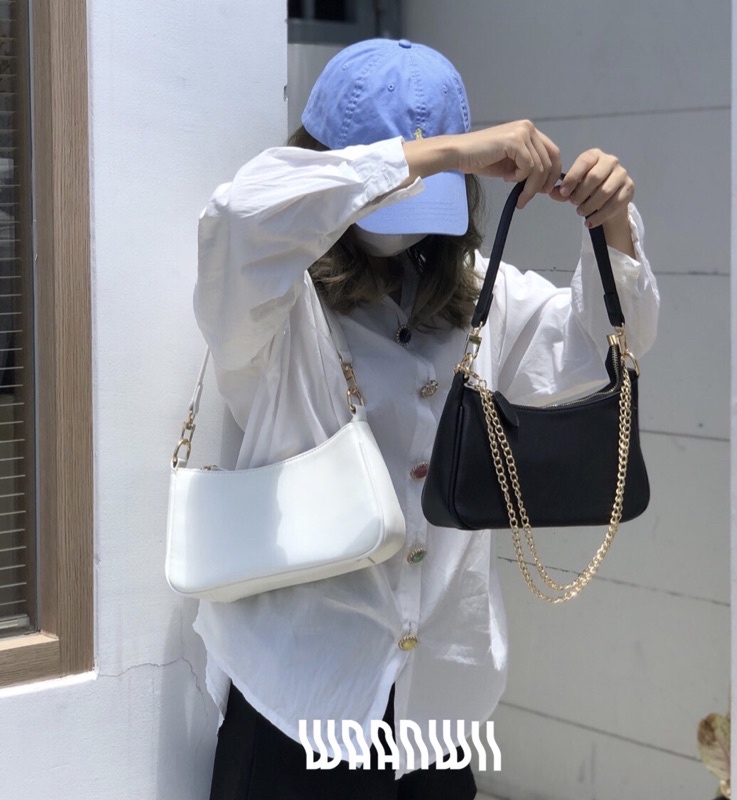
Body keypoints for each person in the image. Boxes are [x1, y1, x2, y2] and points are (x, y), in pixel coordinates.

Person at [192, 38, 659, 799]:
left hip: (437, 710)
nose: (405, 222)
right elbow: (237, 214)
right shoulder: (273, 303)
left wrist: (613, 226)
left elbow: (603, 348)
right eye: (398, 186)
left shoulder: (480, 295)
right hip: (298, 703)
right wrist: (436, 155)